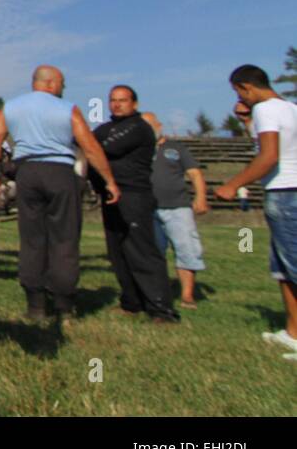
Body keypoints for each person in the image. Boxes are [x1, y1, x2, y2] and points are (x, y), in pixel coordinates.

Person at [0, 65, 120, 321]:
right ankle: (64, 303)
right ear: (52, 83)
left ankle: (35, 305)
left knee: (32, 238)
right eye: (62, 83)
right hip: (60, 172)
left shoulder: (10, 108)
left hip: (27, 172)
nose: (63, 88)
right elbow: (89, 146)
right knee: (65, 237)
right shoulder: (68, 109)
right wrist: (109, 181)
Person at [216, 65, 297, 360]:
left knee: (293, 266)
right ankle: (293, 333)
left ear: (246, 87)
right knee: (283, 269)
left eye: (238, 92)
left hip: (285, 194)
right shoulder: (290, 107)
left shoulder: (265, 110)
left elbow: (269, 156)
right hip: (289, 192)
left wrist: (232, 185)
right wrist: (246, 121)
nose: (239, 98)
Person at [92, 86, 179, 322]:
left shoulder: (139, 128)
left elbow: (103, 147)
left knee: (141, 252)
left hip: (133, 195)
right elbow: (87, 143)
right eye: (113, 100)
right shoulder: (105, 128)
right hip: (110, 197)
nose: (117, 104)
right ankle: (132, 302)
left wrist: (87, 146)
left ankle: (162, 309)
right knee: (118, 252)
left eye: (122, 100)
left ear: (135, 104)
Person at [145, 115, 208, 308]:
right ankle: (157, 294)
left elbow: (194, 173)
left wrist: (200, 197)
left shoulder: (176, 148)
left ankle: (187, 295)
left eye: (150, 125)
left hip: (178, 207)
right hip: (148, 208)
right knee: (153, 253)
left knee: (186, 249)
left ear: (159, 125)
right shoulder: (140, 150)